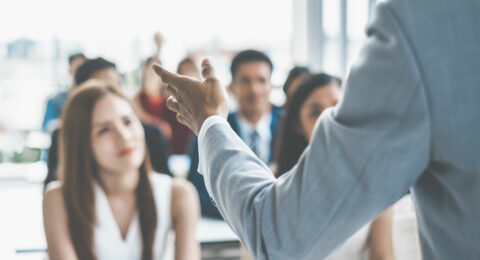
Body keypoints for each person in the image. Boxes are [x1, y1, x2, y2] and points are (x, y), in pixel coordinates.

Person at [152, 0, 480, 258]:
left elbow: (277, 236)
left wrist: (209, 121)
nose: (327, 118)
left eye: (337, 109)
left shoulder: (421, 26)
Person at [43, 83, 200, 260]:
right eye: (104, 130)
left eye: (128, 121)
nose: (124, 136)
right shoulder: (58, 199)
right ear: (82, 144)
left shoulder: (179, 194)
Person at [275, 73, 394, 260]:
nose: (329, 121)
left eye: (337, 108)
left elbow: (383, 256)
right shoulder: (276, 183)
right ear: (298, 125)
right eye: (315, 113)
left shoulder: (376, 182)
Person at [44, 58, 171, 190]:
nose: (109, 94)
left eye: (116, 85)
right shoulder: (65, 137)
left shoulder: (150, 135)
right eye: (103, 130)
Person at [187, 50, 282, 218]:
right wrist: (246, 211)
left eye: (261, 81)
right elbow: (197, 190)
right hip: (226, 227)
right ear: (232, 87)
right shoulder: (212, 129)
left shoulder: (289, 126)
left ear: (271, 85)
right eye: (245, 81)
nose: (254, 89)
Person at [42, 53, 86, 132]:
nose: (82, 72)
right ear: (70, 69)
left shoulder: (94, 99)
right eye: (78, 68)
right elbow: (48, 127)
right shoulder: (55, 100)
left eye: (85, 68)